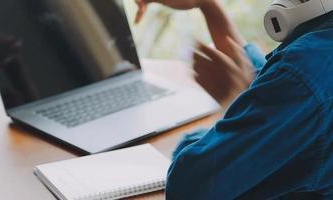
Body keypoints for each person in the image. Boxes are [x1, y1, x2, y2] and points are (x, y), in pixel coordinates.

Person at [135, 0, 333, 199]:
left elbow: (187, 186)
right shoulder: (314, 53)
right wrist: (207, 5)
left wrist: (231, 104)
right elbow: (272, 90)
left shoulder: (301, 75)